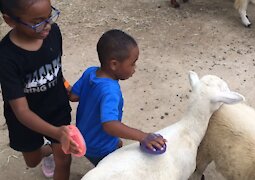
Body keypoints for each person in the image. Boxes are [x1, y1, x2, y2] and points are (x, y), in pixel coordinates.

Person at [0, 0, 79, 179]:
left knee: (64, 160)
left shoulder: (53, 33)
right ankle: (49, 149)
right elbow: (21, 111)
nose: (47, 25)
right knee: (32, 161)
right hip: (25, 120)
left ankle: (56, 148)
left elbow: (56, 69)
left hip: (56, 108)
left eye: (49, 16)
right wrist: (56, 133)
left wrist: (67, 87)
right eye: (37, 22)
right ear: (10, 21)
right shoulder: (6, 58)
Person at [68, 29, 167, 166]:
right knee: (111, 170)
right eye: (132, 63)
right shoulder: (110, 91)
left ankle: (114, 143)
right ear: (114, 64)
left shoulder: (90, 72)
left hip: (83, 137)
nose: (135, 68)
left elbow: (73, 95)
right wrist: (143, 136)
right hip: (100, 147)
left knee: (117, 144)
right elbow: (110, 125)